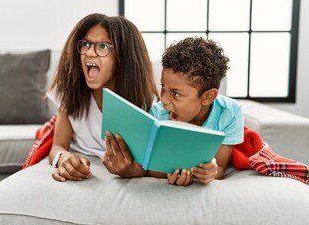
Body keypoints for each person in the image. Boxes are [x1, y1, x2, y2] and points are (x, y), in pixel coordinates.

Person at [47, 13, 159, 182]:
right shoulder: (71, 92)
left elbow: (150, 163)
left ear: (123, 57)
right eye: (85, 44)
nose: (90, 53)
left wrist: (131, 170)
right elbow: (57, 146)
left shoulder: (147, 103)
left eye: (103, 47)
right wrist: (63, 158)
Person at [149, 36, 244, 186]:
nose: (164, 100)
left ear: (207, 97)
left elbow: (219, 168)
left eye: (176, 93)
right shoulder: (158, 113)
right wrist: (170, 173)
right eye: (163, 87)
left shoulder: (230, 113)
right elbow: (151, 169)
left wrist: (210, 172)